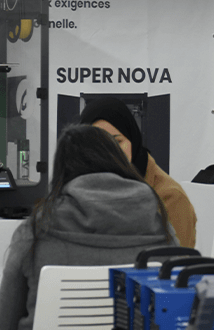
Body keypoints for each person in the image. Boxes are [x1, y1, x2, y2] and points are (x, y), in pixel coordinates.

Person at [0, 124, 178, 330]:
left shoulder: (36, 231)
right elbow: (175, 315)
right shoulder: (160, 225)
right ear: (118, 161)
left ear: (61, 170)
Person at [78, 97, 198, 249]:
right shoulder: (75, 191)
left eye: (117, 141)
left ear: (132, 140)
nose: (109, 152)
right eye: (97, 143)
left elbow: (177, 260)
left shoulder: (170, 198)